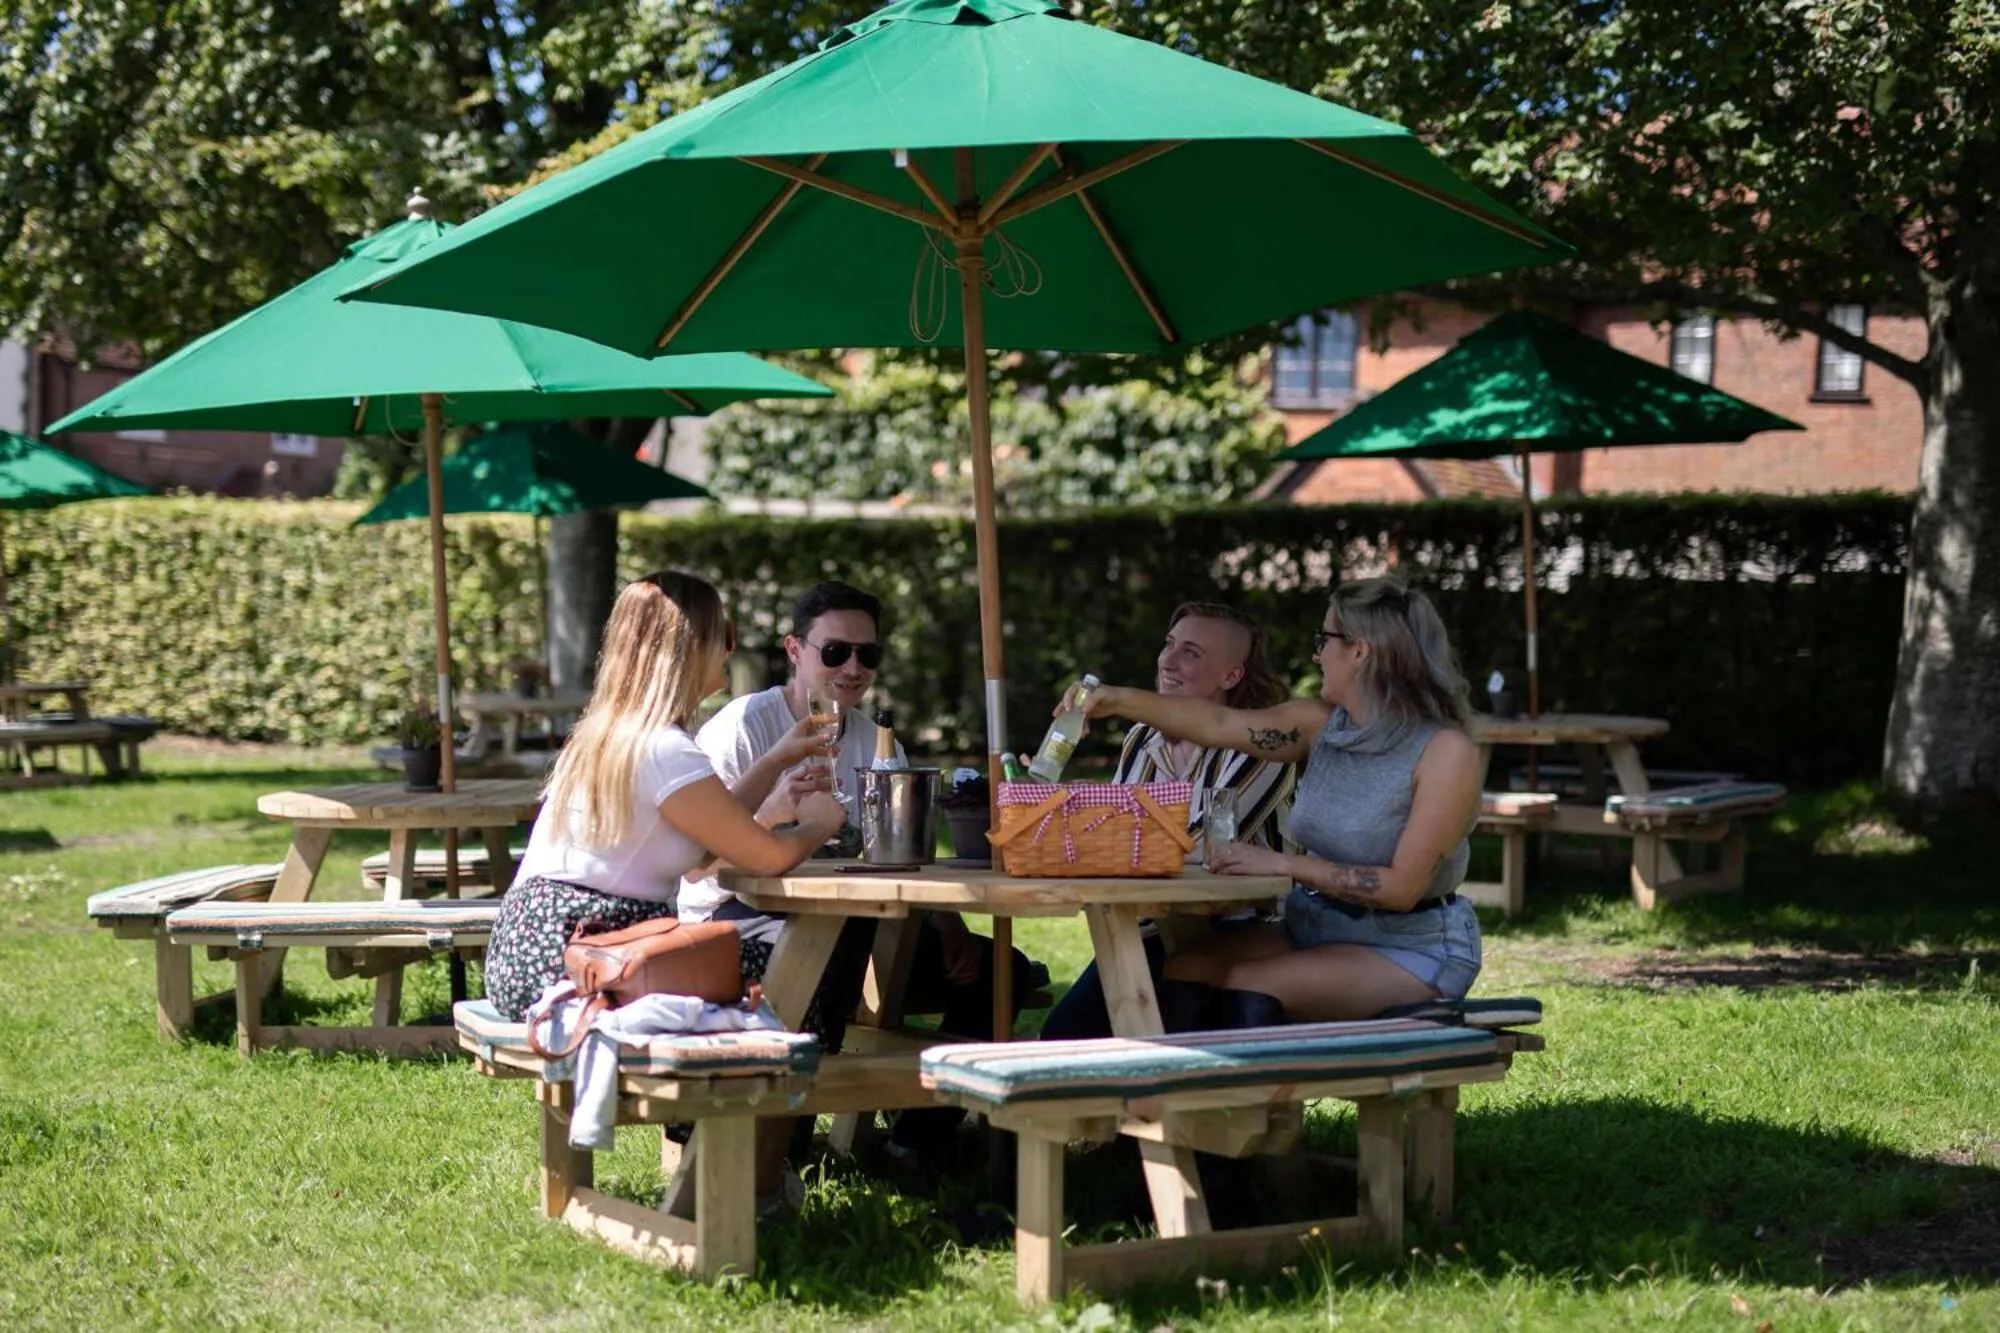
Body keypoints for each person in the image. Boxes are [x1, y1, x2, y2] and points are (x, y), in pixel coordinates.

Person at [482, 571, 846, 1202]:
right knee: (793, 980)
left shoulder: (611, 737)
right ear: (689, 646)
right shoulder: (666, 751)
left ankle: (717, 1157)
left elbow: (705, 845)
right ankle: (743, 1177)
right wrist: (817, 825)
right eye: (722, 636)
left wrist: (775, 760)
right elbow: (760, 853)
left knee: (761, 965)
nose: (730, 651)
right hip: (588, 958)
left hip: (535, 948)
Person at [679, 579, 1035, 1162]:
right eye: (835, 651)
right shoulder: (745, 727)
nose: (853, 668)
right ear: (795, 651)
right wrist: (775, 812)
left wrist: (949, 930)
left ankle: (910, 1146)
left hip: (854, 924)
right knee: (832, 954)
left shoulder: (875, 740)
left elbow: (902, 855)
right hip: (734, 916)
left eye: (867, 654)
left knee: (999, 973)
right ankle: (778, 1151)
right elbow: (697, 866)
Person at [1071, 577, 1484, 1024]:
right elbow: (1215, 722)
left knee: (1250, 987)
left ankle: (1268, 1093)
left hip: (1408, 946)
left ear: (1359, 651)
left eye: (1323, 640)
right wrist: (1114, 699)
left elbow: (1401, 890)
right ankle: (1192, 1092)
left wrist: (1287, 865)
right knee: (1184, 969)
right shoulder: (1319, 725)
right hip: (1313, 927)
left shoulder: (1445, 752)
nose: (1315, 654)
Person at [1038, 602, 1296, 1040]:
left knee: (1155, 1029)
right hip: (1155, 925)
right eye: (1169, 644)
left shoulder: (1261, 745)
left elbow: (1194, 849)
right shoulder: (1142, 737)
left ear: (1231, 676)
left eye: (1191, 652)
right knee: (1062, 1037)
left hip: (1246, 929)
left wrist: (1102, 823)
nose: (1167, 661)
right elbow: (1116, 829)